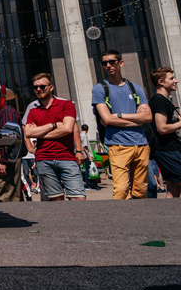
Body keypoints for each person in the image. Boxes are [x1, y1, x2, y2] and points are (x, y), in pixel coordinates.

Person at [92, 49, 152, 199]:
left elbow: (149, 117)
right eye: (105, 63)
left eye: (112, 62)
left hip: (141, 144)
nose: (108, 65)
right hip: (118, 145)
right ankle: (120, 222)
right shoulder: (100, 89)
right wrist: (137, 120)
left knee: (141, 190)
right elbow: (107, 120)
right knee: (121, 190)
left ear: (121, 63)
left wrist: (120, 116)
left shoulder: (135, 88)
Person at [23, 73, 85, 201]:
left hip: (66, 156)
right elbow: (28, 133)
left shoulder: (66, 104)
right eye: (35, 87)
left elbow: (69, 128)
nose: (39, 89)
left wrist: (79, 150)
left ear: (51, 87)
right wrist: (54, 125)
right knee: (56, 200)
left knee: (78, 198)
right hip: (44, 158)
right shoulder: (33, 109)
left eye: (42, 86)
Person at [149, 67, 181, 198]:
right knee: (176, 183)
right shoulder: (159, 101)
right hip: (167, 150)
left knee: (174, 186)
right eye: (171, 78)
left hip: (170, 149)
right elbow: (161, 128)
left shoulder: (165, 101)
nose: (176, 81)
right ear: (161, 82)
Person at [0, 85, 23, 201]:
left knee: (5, 196)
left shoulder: (6, 112)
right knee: (8, 195)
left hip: (1, 157)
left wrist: (3, 160)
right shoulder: (1, 111)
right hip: (0, 157)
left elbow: (9, 139)